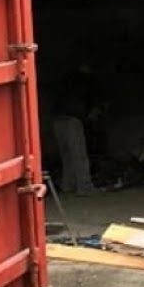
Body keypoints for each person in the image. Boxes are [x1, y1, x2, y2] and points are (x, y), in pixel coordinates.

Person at [53, 63, 99, 195]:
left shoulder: (67, 79)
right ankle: (84, 187)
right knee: (79, 155)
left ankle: (68, 185)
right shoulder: (87, 82)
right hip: (72, 120)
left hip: (57, 120)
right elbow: (89, 105)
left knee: (67, 156)